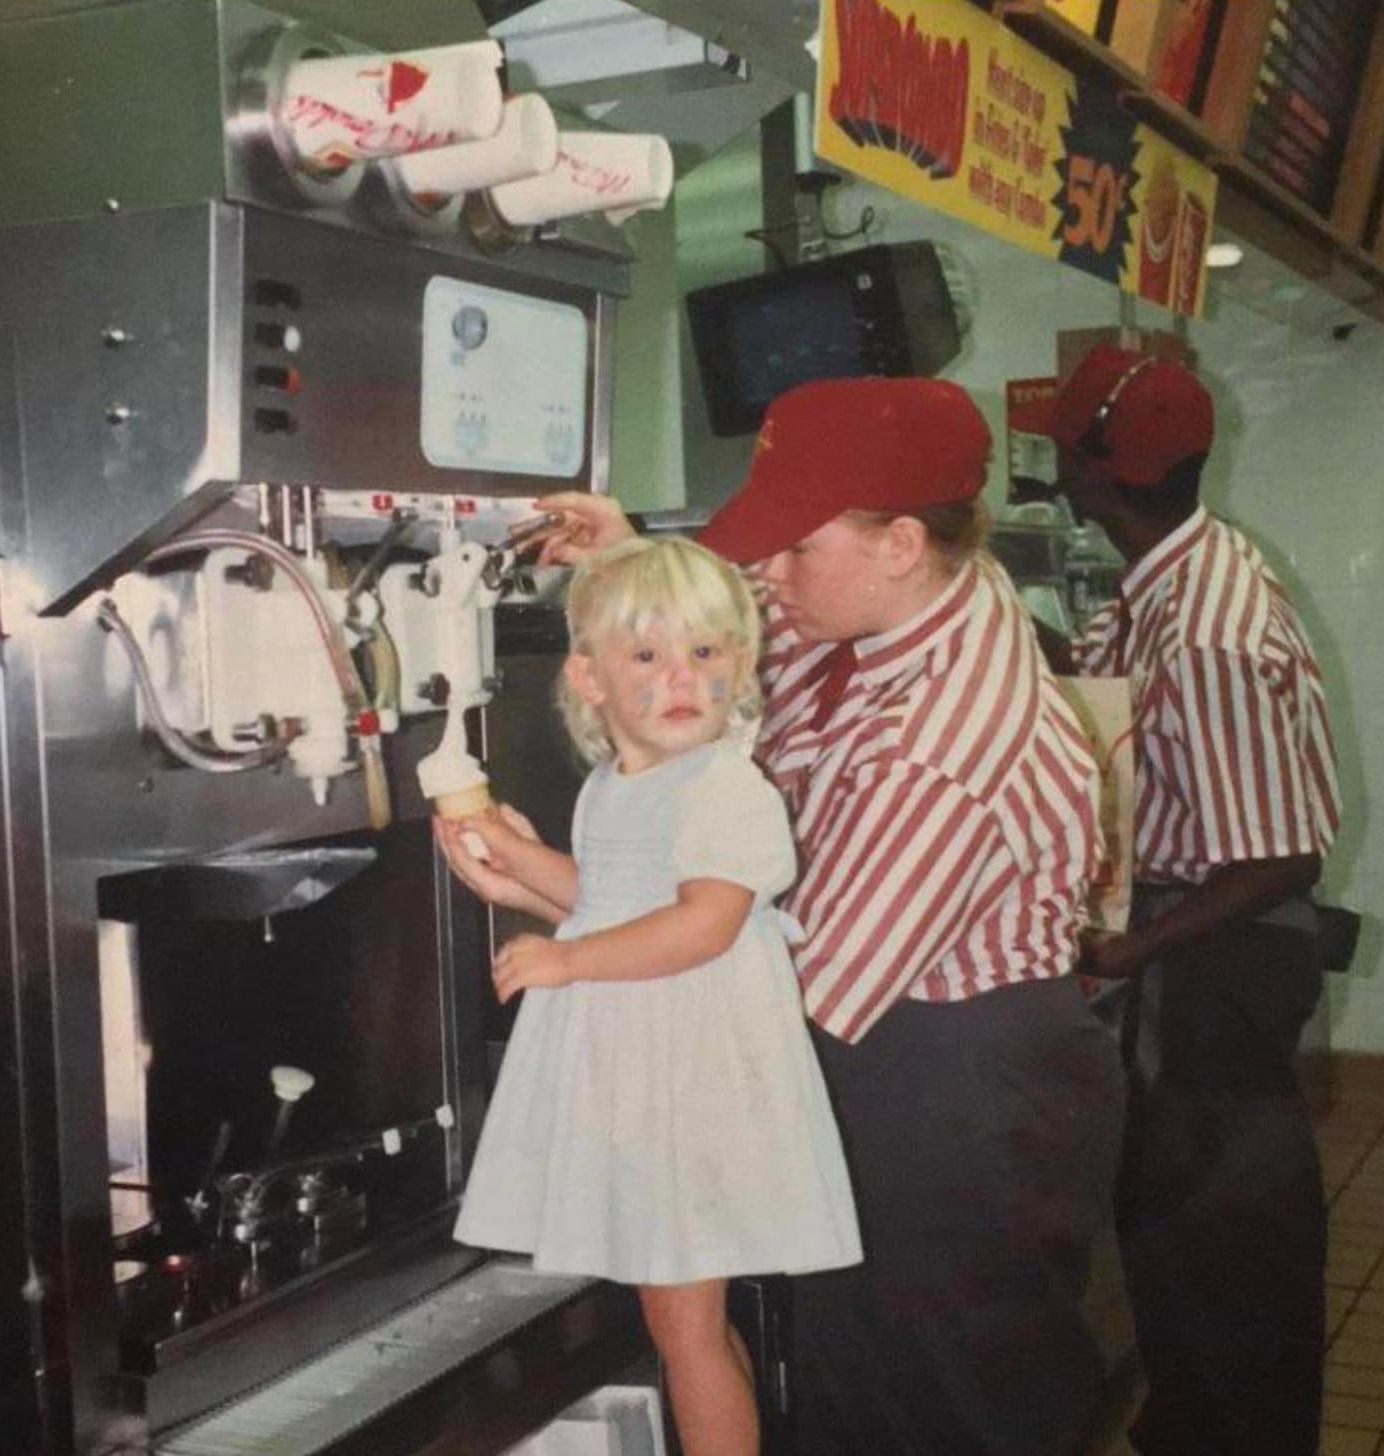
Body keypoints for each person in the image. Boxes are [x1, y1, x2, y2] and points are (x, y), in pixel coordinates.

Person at [455, 377, 1126, 1456]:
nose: (765, 579)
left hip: (940, 1092)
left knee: (931, 1412)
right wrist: (627, 562)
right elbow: (722, 638)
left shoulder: (942, 742)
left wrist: (554, 909)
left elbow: (766, 965)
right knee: (843, 1387)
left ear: (901, 542)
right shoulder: (883, 596)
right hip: (858, 1053)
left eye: (792, 548)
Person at [436, 536, 862, 1456]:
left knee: (686, 1328)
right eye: (648, 656)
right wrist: (518, 873)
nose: (683, 677)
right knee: (681, 1323)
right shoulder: (615, 784)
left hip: (693, 1088)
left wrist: (568, 964)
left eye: (706, 654)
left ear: (739, 667)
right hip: (644, 1083)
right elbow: (609, 898)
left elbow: (703, 924)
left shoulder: (724, 785)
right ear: (588, 679)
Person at [1049, 344, 1343, 1456]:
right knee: (1180, 1259)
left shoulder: (1206, 625)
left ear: (1097, 470)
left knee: (1225, 1271)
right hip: (1190, 954)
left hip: (1216, 968)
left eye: (1062, 452)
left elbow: (1280, 856)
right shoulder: (1169, 577)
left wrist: (1136, 949)